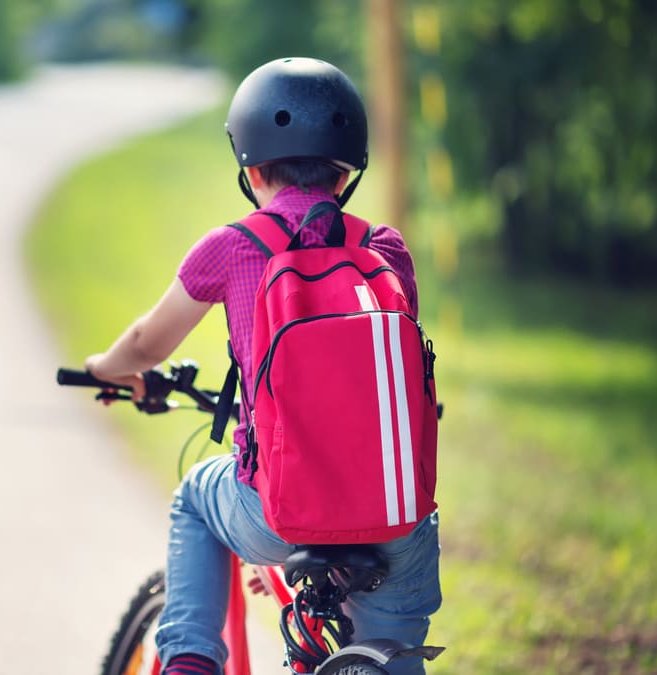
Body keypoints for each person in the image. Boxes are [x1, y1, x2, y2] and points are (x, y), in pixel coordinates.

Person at [80, 58, 441, 675]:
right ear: (348, 165)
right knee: (394, 657)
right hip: (396, 516)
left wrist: (106, 366)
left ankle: (190, 659)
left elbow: (147, 344)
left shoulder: (232, 247)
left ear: (248, 162)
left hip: (275, 511)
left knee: (196, 498)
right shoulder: (383, 249)